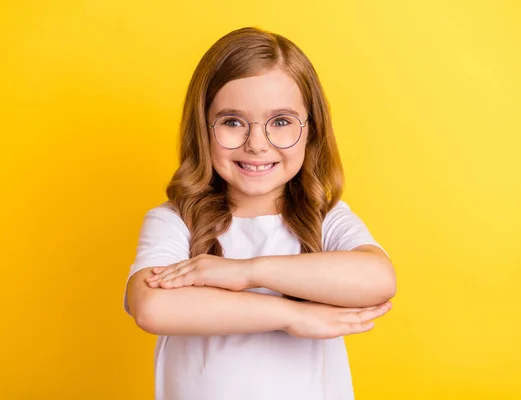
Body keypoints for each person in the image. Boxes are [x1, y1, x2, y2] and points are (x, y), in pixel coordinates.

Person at [124, 26, 396, 400]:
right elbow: (152, 307)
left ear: (310, 131)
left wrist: (244, 272)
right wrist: (292, 316)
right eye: (233, 121)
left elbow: (378, 278)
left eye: (281, 122)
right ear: (203, 129)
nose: (256, 144)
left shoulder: (325, 218)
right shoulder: (175, 221)